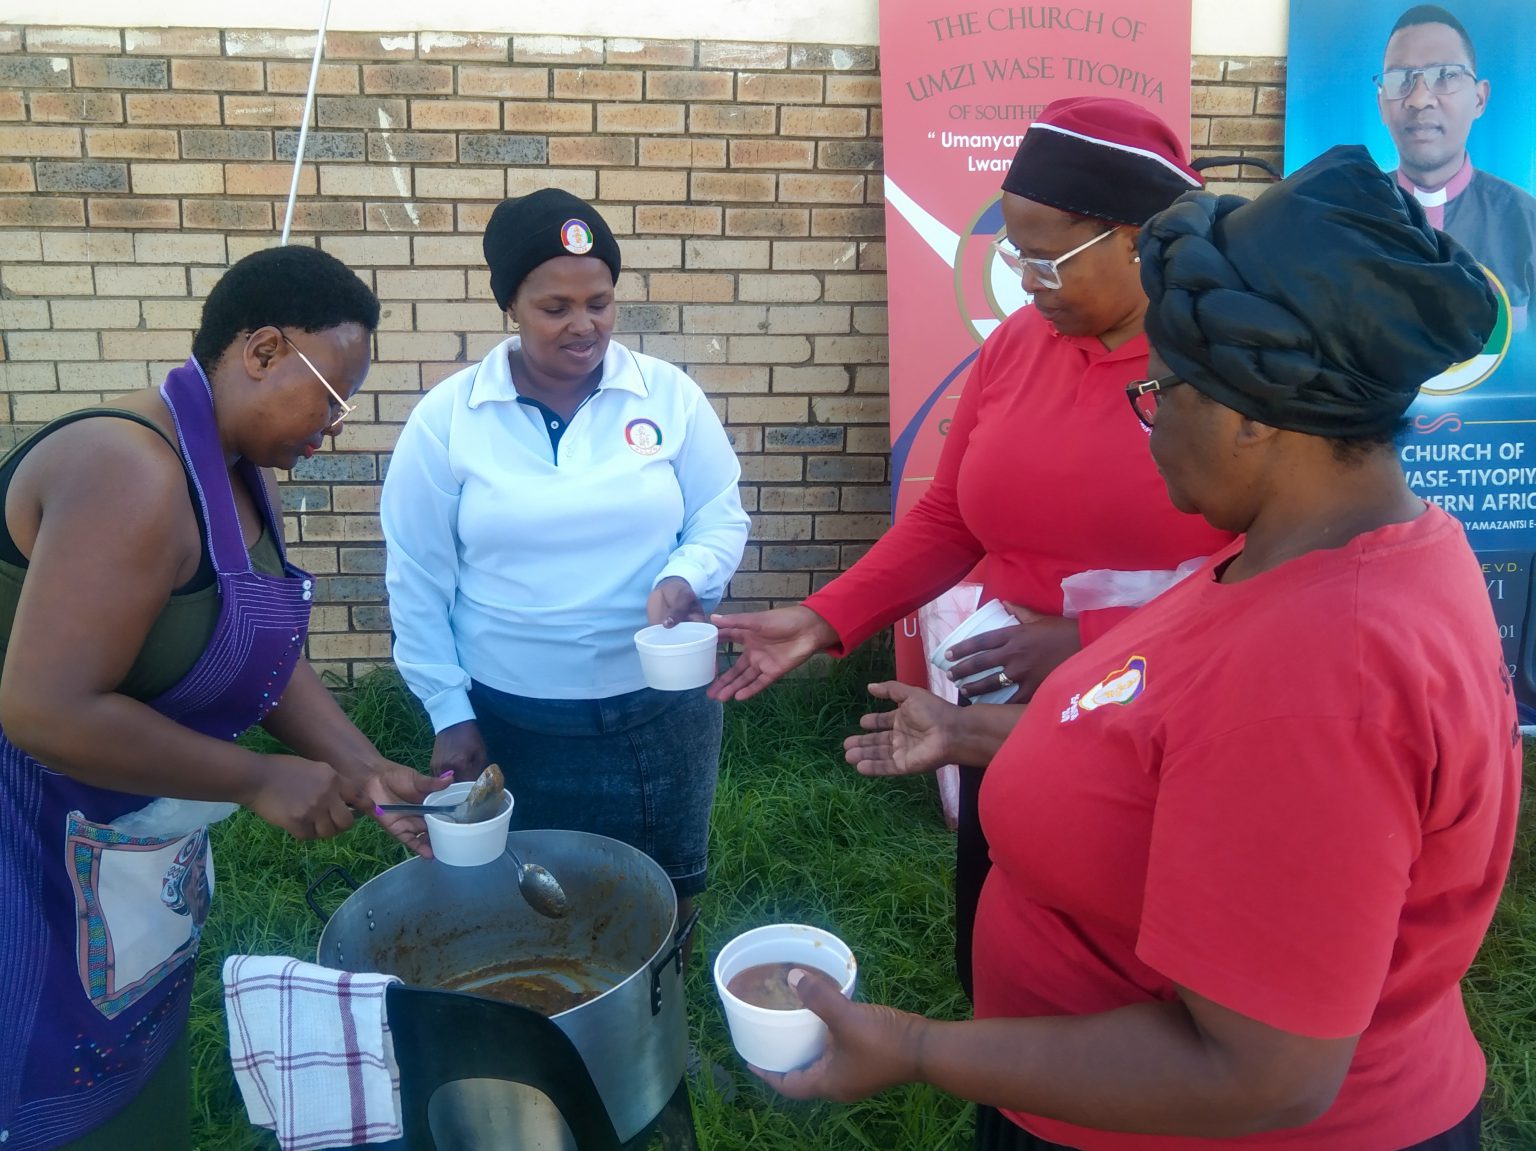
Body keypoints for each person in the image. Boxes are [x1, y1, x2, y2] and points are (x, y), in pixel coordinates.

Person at [756, 145, 1520, 1151]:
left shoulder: (1327, 674)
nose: (1148, 425)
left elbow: (1257, 1073)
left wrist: (916, 1047)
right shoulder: (1308, 552)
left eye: (1161, 394)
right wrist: (972, 733)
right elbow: (1175, 752)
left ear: (1253, 419)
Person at [708, 97, 1235, 997]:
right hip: (1003, 704)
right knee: (1003, 933)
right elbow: (951, 518)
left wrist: (1089, 641)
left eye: (1046, 259)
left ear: (1136, 239)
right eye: (1013, 255)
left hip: (1163, 718)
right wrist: (822, 618)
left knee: (1127, 970)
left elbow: (1269, 573)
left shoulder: (1223, 368)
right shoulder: (1019, 346)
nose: (1025, 282)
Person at [0, 245, 448, 1151]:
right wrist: (256, 777)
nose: (335, 425)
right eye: (331, 395)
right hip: (28, 860)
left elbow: (250, 650)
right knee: (52, 1102)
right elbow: (44, 708)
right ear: (263, 350)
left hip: (121, 853)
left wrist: (363, 767)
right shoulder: (130, 468)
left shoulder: (236, 469)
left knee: (135, 1078)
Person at [380, 188, 750, 938]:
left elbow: (720, 513)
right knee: (524, 910)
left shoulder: (667, 396)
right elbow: (417, 575)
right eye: (556, 308)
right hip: (513, 719)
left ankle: (656, 1012)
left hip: (659, 713)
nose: (585, 326)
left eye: (600, 303)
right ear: (509, 307)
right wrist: (449, 710)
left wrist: (686, 575)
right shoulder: (450, 419)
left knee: (663, 901)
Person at [1376, 4, 1536, 330]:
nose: (1419, 99)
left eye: (1445, 75)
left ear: (1479, 99)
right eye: (1399, 79)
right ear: (1381, 105)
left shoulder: (1527, 223)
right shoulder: (1347, 214)